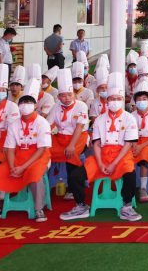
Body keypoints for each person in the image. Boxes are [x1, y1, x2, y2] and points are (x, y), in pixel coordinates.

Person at [61, 72, 142, 222]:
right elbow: (97, 144)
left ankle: (127, 206)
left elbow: (128, 145)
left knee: (130, 174)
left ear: (122, 100)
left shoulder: (129, 118)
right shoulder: (99, 119)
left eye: (118, 99)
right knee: (75, 175)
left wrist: (114, 164)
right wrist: (99, 163)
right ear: (107, 100)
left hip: (122, 155)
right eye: (112, 99)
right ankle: (81, 205)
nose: (114, 101)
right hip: (102, 156)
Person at [0, 78, 51, 222]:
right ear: (18, 105)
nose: (25, 106)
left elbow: (41, 150)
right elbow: (9, 149)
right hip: (17, 158)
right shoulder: (14, 124)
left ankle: (38, 209)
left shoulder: (42, 123)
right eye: (22, 103)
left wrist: (22, 167)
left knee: (35, 177)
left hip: (38, 158)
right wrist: (12, 167)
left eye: (29, 103)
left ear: (35, 105)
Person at [47, 68, 88, 201]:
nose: (67, 98)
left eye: (69, 95)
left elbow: (79, 127)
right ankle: (48, 184)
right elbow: (48, 125)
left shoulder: (81, 106)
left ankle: (74, 185)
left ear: (74, 95)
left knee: (71, 154)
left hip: (78, 137)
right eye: (63, 96)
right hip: (60, 138)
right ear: (58, 97)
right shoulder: (56, 106)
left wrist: (71, 145)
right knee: (44, 151)